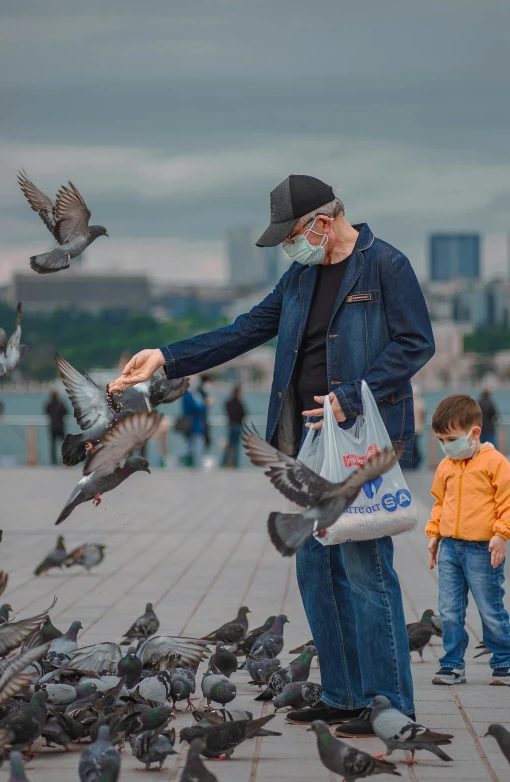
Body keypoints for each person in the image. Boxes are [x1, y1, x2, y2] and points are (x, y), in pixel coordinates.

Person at [109, 174, 435, 734]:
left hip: (359, 443)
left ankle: (389, 707)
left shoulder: (387, 265)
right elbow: (245, 330)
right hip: (304, 442)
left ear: (323, 223)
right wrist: (164, 355)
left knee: (364, 568)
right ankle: (341, 694)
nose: (290, 247)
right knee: (315, 567)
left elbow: (415, 342)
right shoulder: (300, 277)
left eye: (292, 235)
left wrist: (354, 396)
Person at [426, 394, 510, 687]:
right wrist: (433, 534)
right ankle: (452, 665)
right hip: (450, 547)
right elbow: (439, 502)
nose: (445, 446)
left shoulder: (496, 463)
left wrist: (501, 534)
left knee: (491, 609)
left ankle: (504, 662)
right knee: (448, 610)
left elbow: (507, 502)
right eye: (440, 439)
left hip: (482, 549)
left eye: (450, 438)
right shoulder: (446, 465)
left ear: (474, 433)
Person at [181, 379, 207, 469]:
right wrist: (204, 406)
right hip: (192, 425)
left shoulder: (195, 394)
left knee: (194, 446)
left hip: (197, 425)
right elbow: (196, 408)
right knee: (193, 447)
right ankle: (195, 465)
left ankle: (196, 465)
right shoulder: (188, 395)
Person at [223, 385, 246, 468]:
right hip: (237, 425)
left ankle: (226, 462)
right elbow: (244, 413)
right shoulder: (239, 403)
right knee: (235, 446)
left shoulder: (228, 402)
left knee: (230, 445)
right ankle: (234, 464)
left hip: (231, 425)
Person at [44, 390, 68, 466]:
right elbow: (66, 412)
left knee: (53, 445)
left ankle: (53, 462)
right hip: (60, 427)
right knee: (63, 445)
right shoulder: (61, 404)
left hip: (52, 427)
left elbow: (46, 412)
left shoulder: (48, 404)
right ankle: (64, 461)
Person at [406, 385, 426, 469]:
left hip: (408, 430)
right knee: (416, 448)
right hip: (418, 429)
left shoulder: (408, 403)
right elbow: (423, 416)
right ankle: (416, 463)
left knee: (411, 448)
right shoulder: (421, 403)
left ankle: (411, 464)